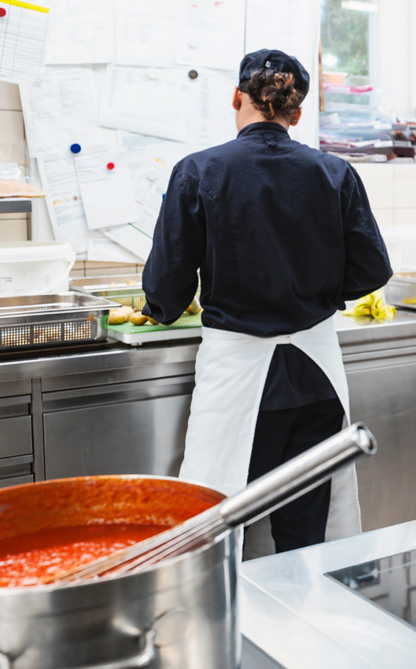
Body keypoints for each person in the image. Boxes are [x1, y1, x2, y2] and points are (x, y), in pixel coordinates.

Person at [143, 49, 392, 555]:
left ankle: (226, 631)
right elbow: (372, 269)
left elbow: (167, 286)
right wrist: (317, 290)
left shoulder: (199, 171)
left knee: (217, 530)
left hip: (239, 380)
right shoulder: (334, 172)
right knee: (306, 538)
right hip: (317, 376)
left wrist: (159, 310)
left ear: (237, 98)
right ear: (296, 113)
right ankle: (304, 629)